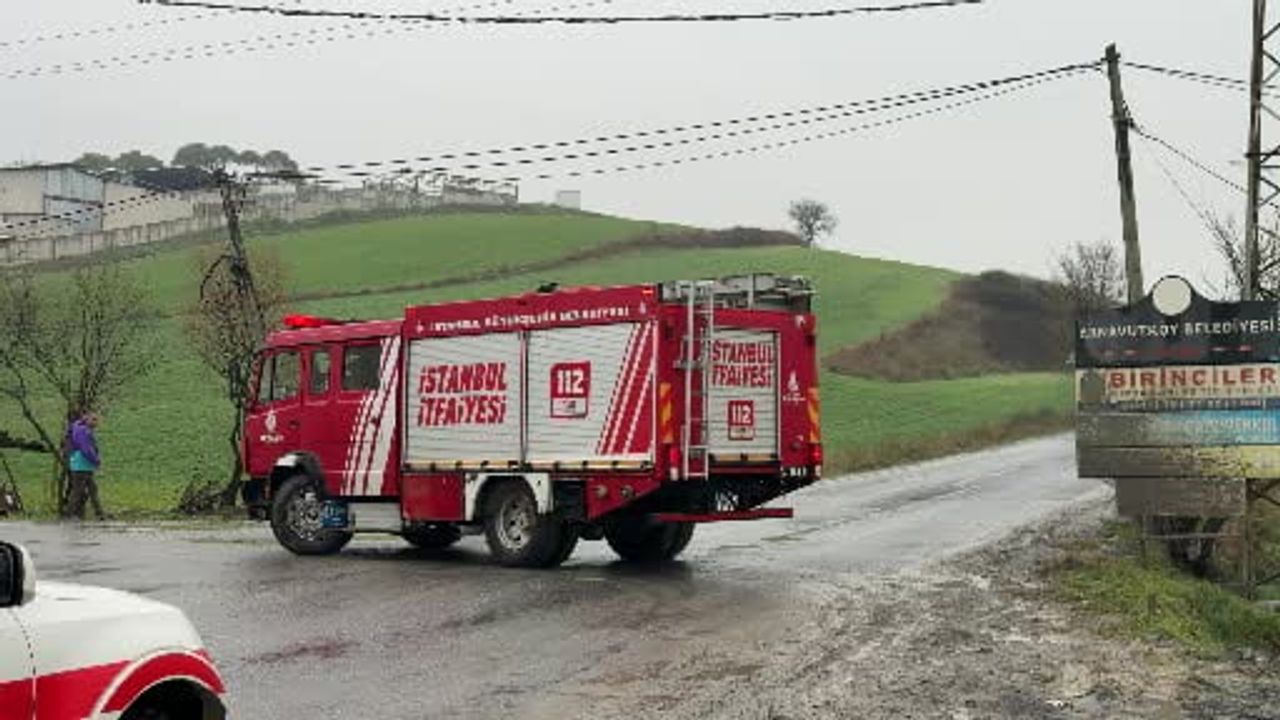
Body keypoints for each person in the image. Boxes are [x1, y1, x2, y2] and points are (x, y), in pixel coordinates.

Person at [66, 412, 105, 521]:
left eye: (97, 420)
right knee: (78, 491)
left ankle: (100, 514)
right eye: (94, 420)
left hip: (83, 465)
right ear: (87, 419)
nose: (96, 423)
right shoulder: (83, 431)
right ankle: (70, 515)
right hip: (81, 465)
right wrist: (96, 460)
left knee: (92, 490)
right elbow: (86, 449)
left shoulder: (78, 429)